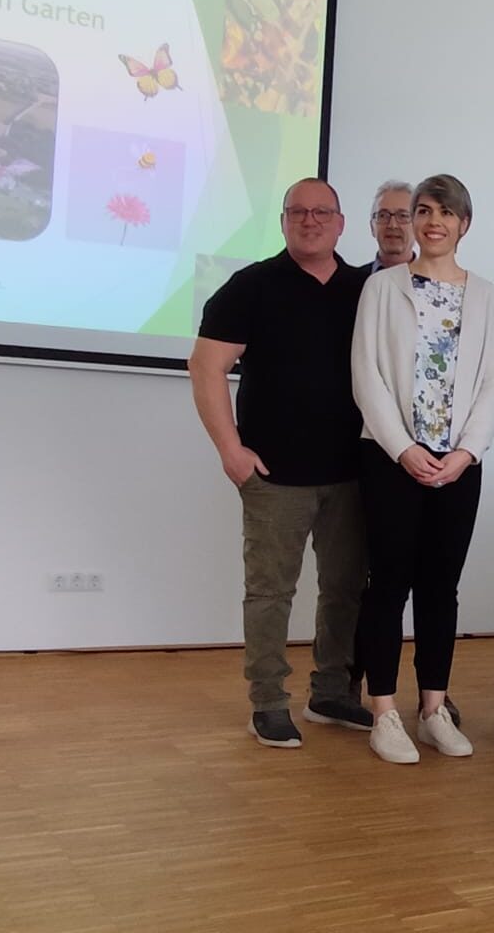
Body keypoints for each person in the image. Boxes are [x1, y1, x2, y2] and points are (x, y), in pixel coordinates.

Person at [189, 177, 374, 750]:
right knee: (270, 593)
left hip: (353, 472)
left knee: (345, 589)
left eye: (322, 212)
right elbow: (205, 367)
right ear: (284, 222)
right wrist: (231, 450)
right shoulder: (250, 287)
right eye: (298, 211)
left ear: (341, 224)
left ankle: (331, 692)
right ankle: (268, 701)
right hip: (274, 477)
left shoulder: (367, 289)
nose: (310, 220)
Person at [350, 174, 494, 764]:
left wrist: (466, 453)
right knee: (388, 583)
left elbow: (490, 382)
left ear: (464, 224)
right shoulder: (382, 288)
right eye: (423, 210)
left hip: (458, 465)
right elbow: (366, 375)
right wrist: (402, 448)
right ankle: (384, 711)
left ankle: (434, 709)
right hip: (391, 458)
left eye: (445, 212)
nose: (433, 221)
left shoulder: (486, 296)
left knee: (441, 587)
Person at [361, 179, 416, 274]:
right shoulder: (349, 281)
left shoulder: (436, 280)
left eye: (403, 215)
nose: (392, 225)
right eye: (383, 215)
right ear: (372, 227)